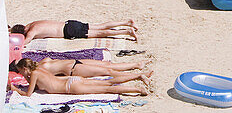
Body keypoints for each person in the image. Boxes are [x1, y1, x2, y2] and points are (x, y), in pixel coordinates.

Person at [10, 59, 149, 97]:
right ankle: (138, 76)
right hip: (73, 79)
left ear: (25, 69)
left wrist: (14, 89)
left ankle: (138, 90)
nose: (21, 74)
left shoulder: (34, 75)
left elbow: (28, 94)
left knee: (107, 88)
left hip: (70, 87)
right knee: (108, 80)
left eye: (21, 72)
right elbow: (34, 84)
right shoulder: (39, 69)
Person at [10, 19, 137, 42]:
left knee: (100, 34)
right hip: (70, 23)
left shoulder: (32, 31)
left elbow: (25, 42)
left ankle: (126, 32)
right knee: (100, 26)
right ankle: (126, 22)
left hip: (69, 32)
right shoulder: (32, 23)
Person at [15, 56, 146, 78]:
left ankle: (136, 71)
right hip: (75, 62)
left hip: (74, 70)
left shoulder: (39, 72)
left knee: (107, 71)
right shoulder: (43, 61)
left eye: (21, 72)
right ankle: (137, 65)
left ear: (25, 69)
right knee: (107, 66)